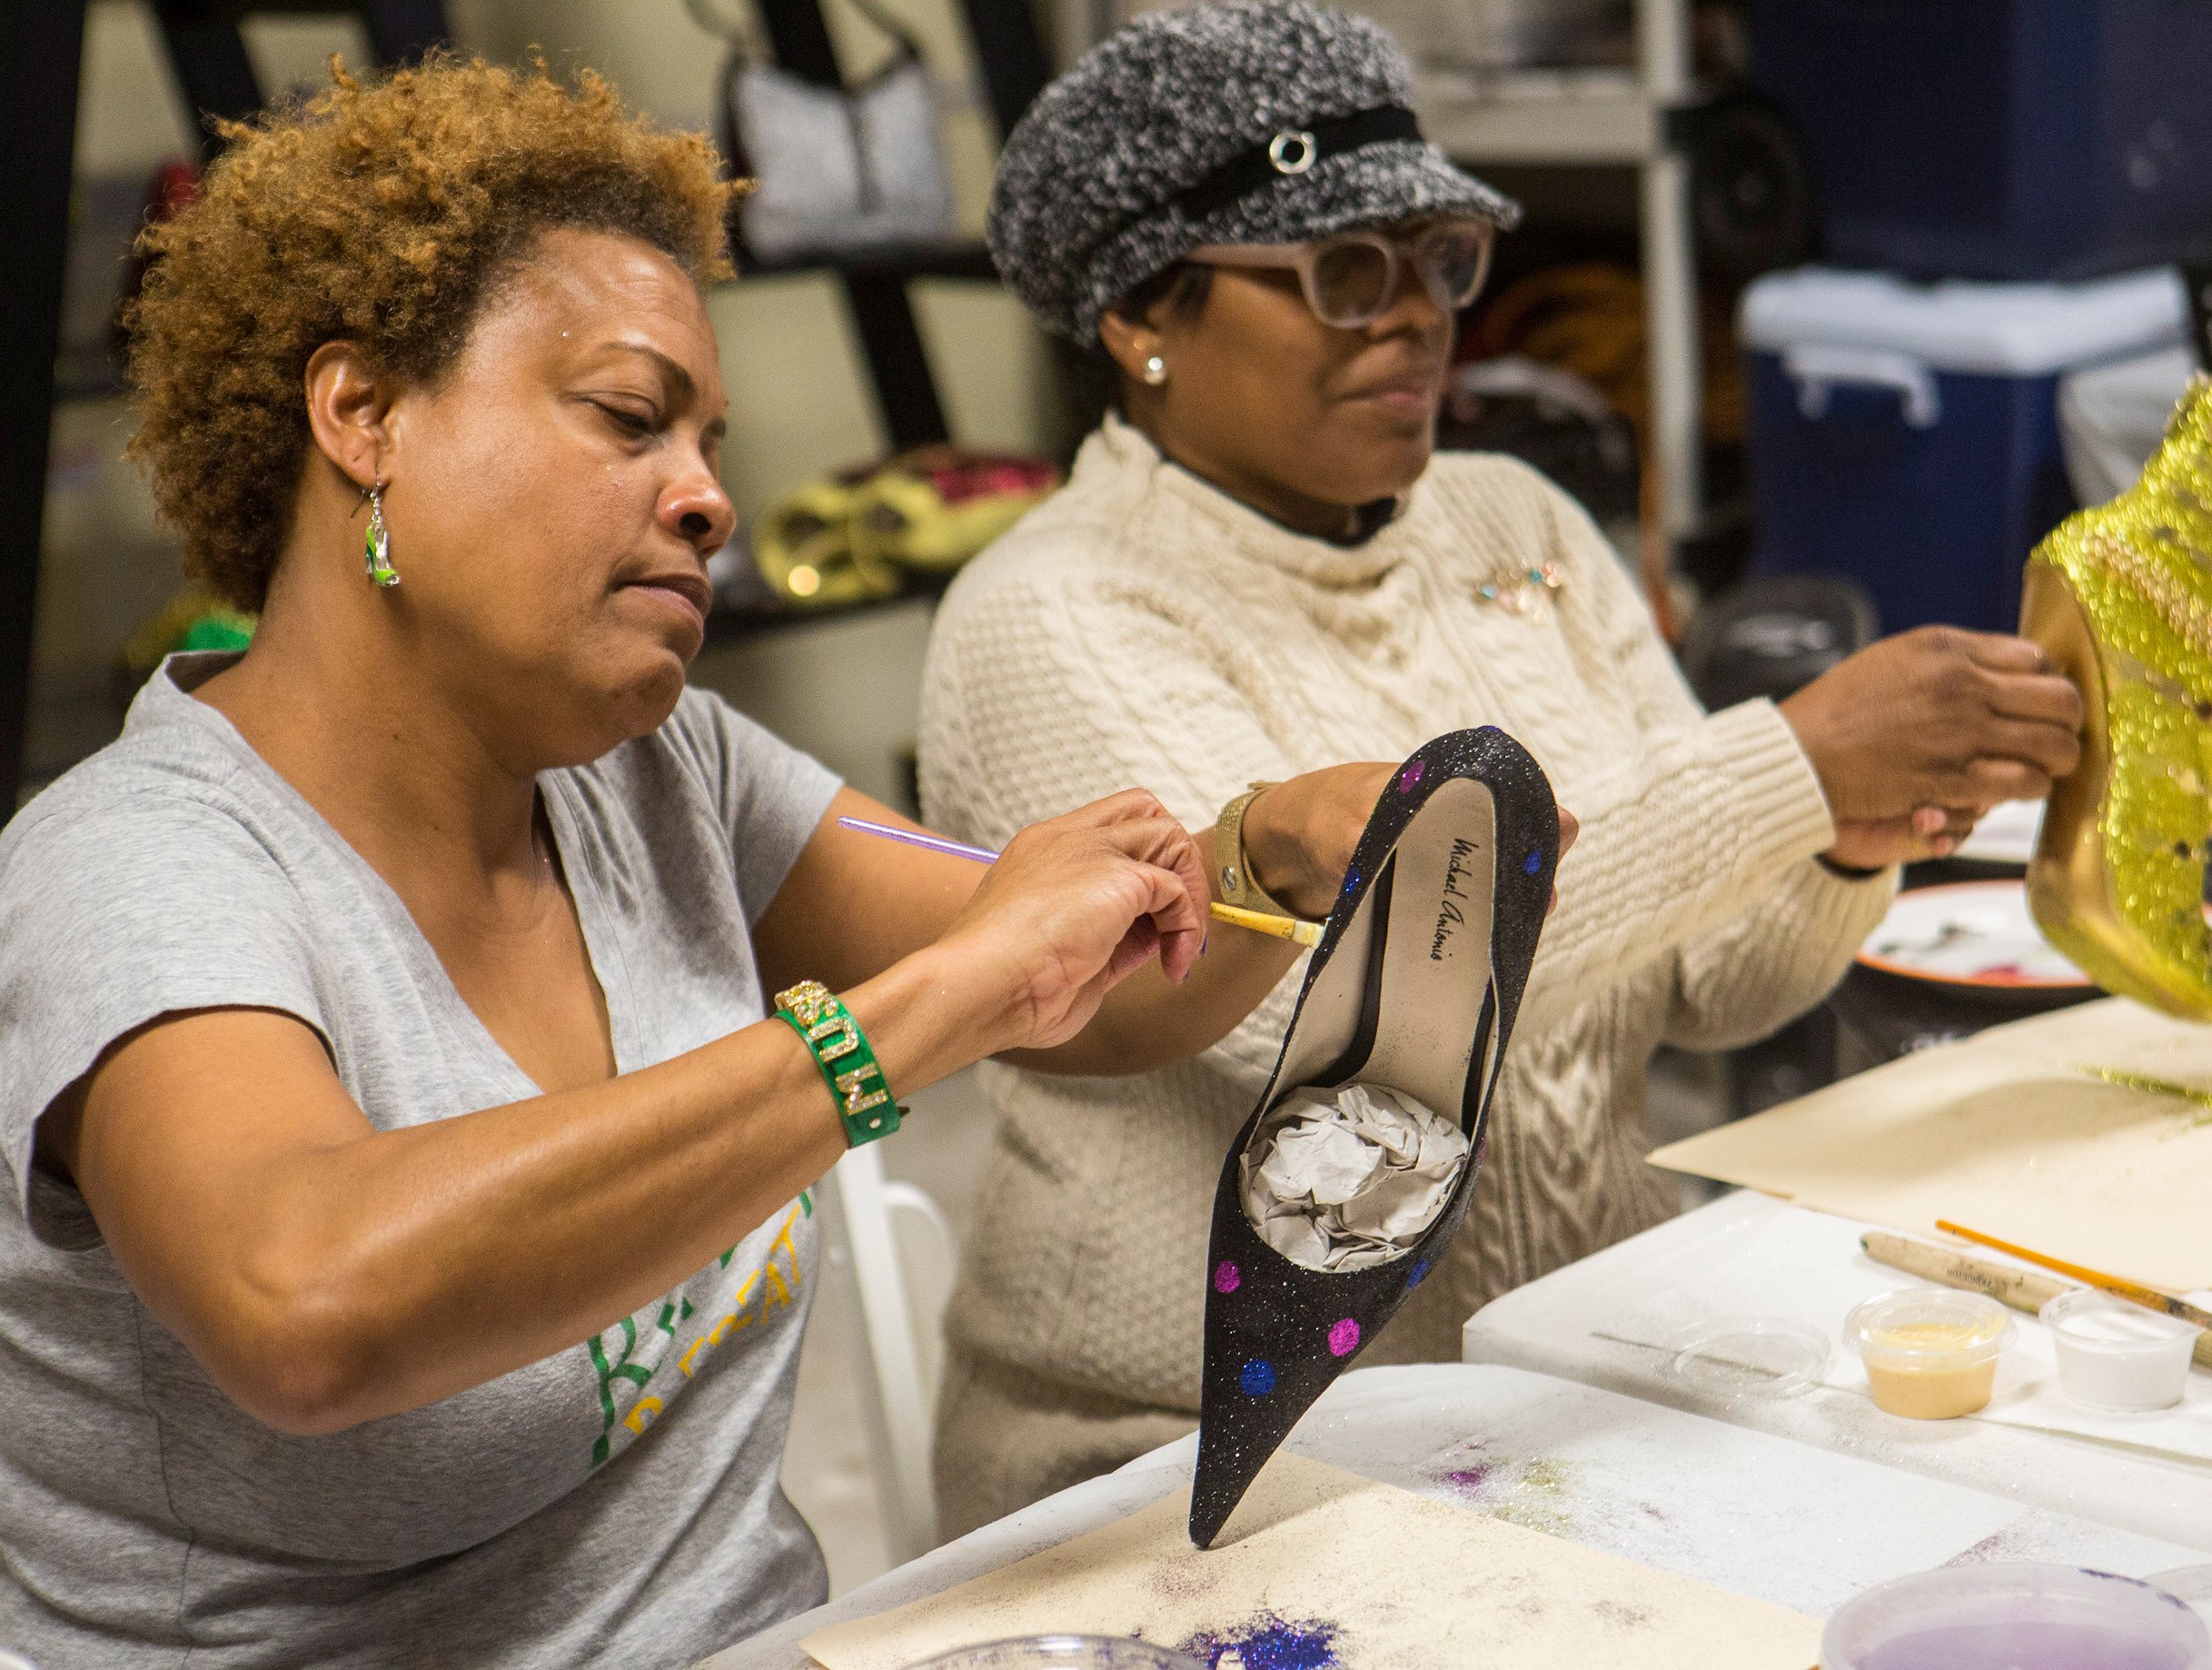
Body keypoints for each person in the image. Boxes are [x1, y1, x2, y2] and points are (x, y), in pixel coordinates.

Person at [0, 58, 1380, 1668]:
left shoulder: (673, 777)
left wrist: (1266, 852)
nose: (711, 496)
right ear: (363, 415)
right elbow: (310, 1305)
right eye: (628, 418)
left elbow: (1100, 996)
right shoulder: (130, 867)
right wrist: (906, 1022)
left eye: (709, 439)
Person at [918, 0, 2087, 1535]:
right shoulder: (1051, 614)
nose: (1417, 317)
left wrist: (1842, 836)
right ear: (1143, 315)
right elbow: (1343, 1056)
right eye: (1345, 272)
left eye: (1437, 260)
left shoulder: (1516, 523)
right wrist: (1792, 759)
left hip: (1566, 1374)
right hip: (1198, 1453)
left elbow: (1713, 987)